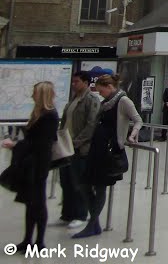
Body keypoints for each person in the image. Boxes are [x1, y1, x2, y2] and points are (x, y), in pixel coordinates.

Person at [75, 74, 142, 239]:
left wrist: (132, 135)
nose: (100, 94)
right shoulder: (105, 103)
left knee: (100, 186)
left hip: (109, 150)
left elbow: (138, 120)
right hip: (96, 148)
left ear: (110, 87)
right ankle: (94, 222)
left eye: (101, 90)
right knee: (85, 184)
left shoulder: (123, 101)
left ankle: (92, 224)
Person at [1, 81, 59, 253]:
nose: (32, 95)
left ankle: (39, 242)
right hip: (32, 163)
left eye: (35, 93)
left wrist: (16, 145)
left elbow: (40, 143)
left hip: (38, 165)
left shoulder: (49, 115)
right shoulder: (40, 113)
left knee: (38, 202)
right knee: (31, 202)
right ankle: (28, 239)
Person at [57, 72, 100, 230]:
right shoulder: (73, 100)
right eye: (73, 81)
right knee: (66, 181)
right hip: (66, 146)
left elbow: (91, 124)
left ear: (86, 82)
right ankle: (67, 213)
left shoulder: (91, 100)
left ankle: (81, 214)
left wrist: (77, 142)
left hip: (79, 148)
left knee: (79, 182)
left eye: (77, 82)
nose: (74, 84)